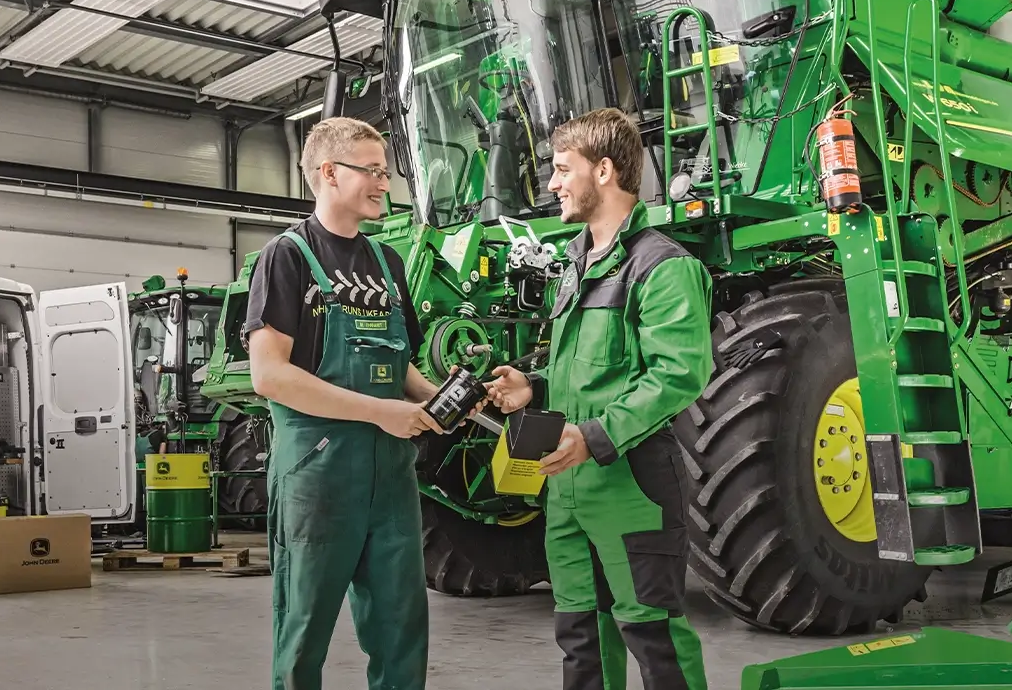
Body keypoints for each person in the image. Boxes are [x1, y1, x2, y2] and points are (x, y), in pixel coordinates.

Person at [485, 108, 714, 689]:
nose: (553, 183)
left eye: (563, 170)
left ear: (605, 170)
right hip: (567, 488)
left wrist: (592, 437)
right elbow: (587, 368)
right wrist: (532, 386)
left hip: (629, 485)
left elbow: (678, 375)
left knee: (653, 636)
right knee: (581, 640)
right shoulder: (576, 262)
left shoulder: (661, 266)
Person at [245, 116, 442, 690]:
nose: (385, 183)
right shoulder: (286, 257)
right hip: (319, 474)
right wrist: (384, 413)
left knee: (402, 626)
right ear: (329, 173)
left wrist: (445, 399)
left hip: (392, 479)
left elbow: (395, 363)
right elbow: (270, 375)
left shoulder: (388, 265)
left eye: (387, 171)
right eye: (373, 171)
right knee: (304, 631)